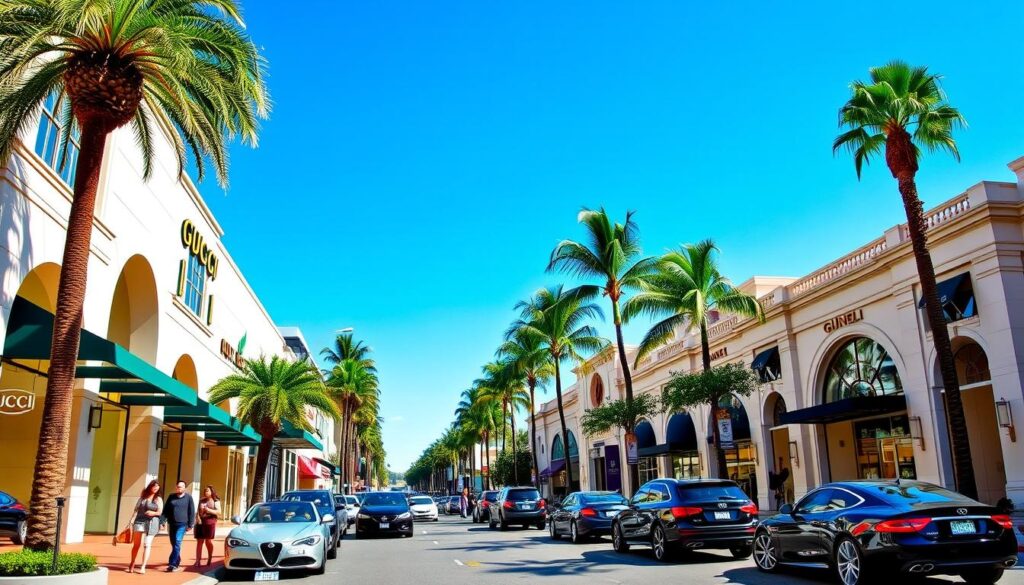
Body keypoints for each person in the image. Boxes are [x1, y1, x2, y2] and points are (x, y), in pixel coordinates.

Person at [128, 480, 163, 574]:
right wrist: (131, 521)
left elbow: (160, 512)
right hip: (139, 521)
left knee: (147, 544)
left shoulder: (158, 499)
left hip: (152, 523)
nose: (156, 488)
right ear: (150, 487)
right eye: (154, 486)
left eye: (158, 486)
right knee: (136, 545)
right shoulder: (143, 497)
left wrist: (153, 513)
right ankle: (132, 562)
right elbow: (136, 510)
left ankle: (143, 567)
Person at [162, 480, 195, 572]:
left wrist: (191, 524)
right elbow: (166, 510)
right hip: (172, 523)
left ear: (184, 488)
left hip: (182, 524)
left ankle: (173, 564)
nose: (179, 488)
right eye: (178, 486)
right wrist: (162, 521)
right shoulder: (171, 497)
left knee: (177, 541)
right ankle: (177, 559)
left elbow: (191, 511)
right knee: (174, 544)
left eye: (181, 487)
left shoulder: (188, 498)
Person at [193, 485, 220, 567]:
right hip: (201, 522)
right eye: (205, 491)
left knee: (208, 541)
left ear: (212, 492)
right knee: (199, 541)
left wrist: (208, 510)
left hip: (210, 522)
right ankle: (198, 561)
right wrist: (197, 517)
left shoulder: (216, 501)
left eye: (207, 490)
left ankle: (210, 557)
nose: (206, 492)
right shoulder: (201, 500)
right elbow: (198, 510)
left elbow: (219, 512)